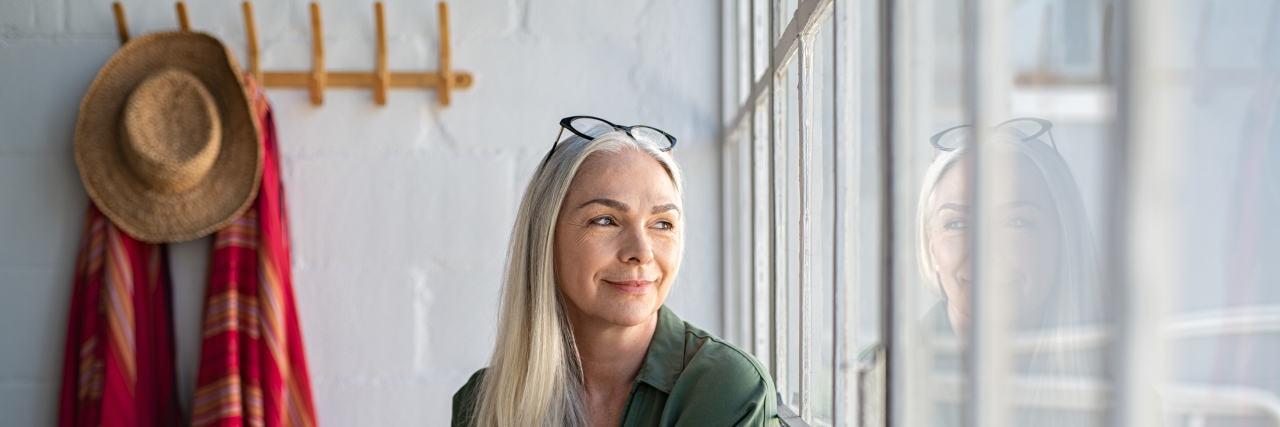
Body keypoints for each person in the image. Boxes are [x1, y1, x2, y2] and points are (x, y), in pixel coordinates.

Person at [452, 116, 780, 427]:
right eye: (605, 220)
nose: (641, 251)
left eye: (662, 224)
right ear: (545, 237)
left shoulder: (726, 388)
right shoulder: (483, 401)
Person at [915, 119, 1105, 425]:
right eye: (956, 224)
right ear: (931, 247)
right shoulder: (865, 385)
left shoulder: (1120, 397)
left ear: (1064, 238)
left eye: (1017, 222)